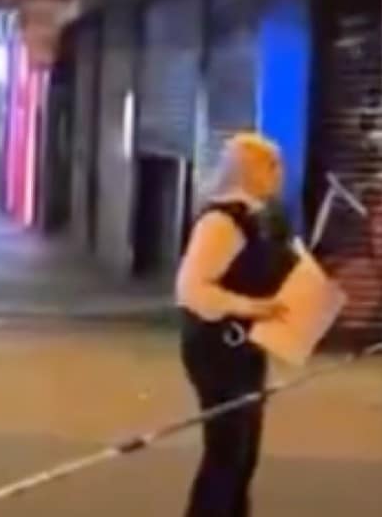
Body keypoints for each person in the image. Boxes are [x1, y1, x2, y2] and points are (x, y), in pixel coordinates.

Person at [175, 132, 295, 517]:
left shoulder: (263, 219)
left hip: (245, 347)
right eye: (270, 165)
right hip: (215, 349)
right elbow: (191, 289)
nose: (280, 173)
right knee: (227, 453)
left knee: (243, 456)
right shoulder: (220, 222)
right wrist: (250, 307)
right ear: (247, 170)